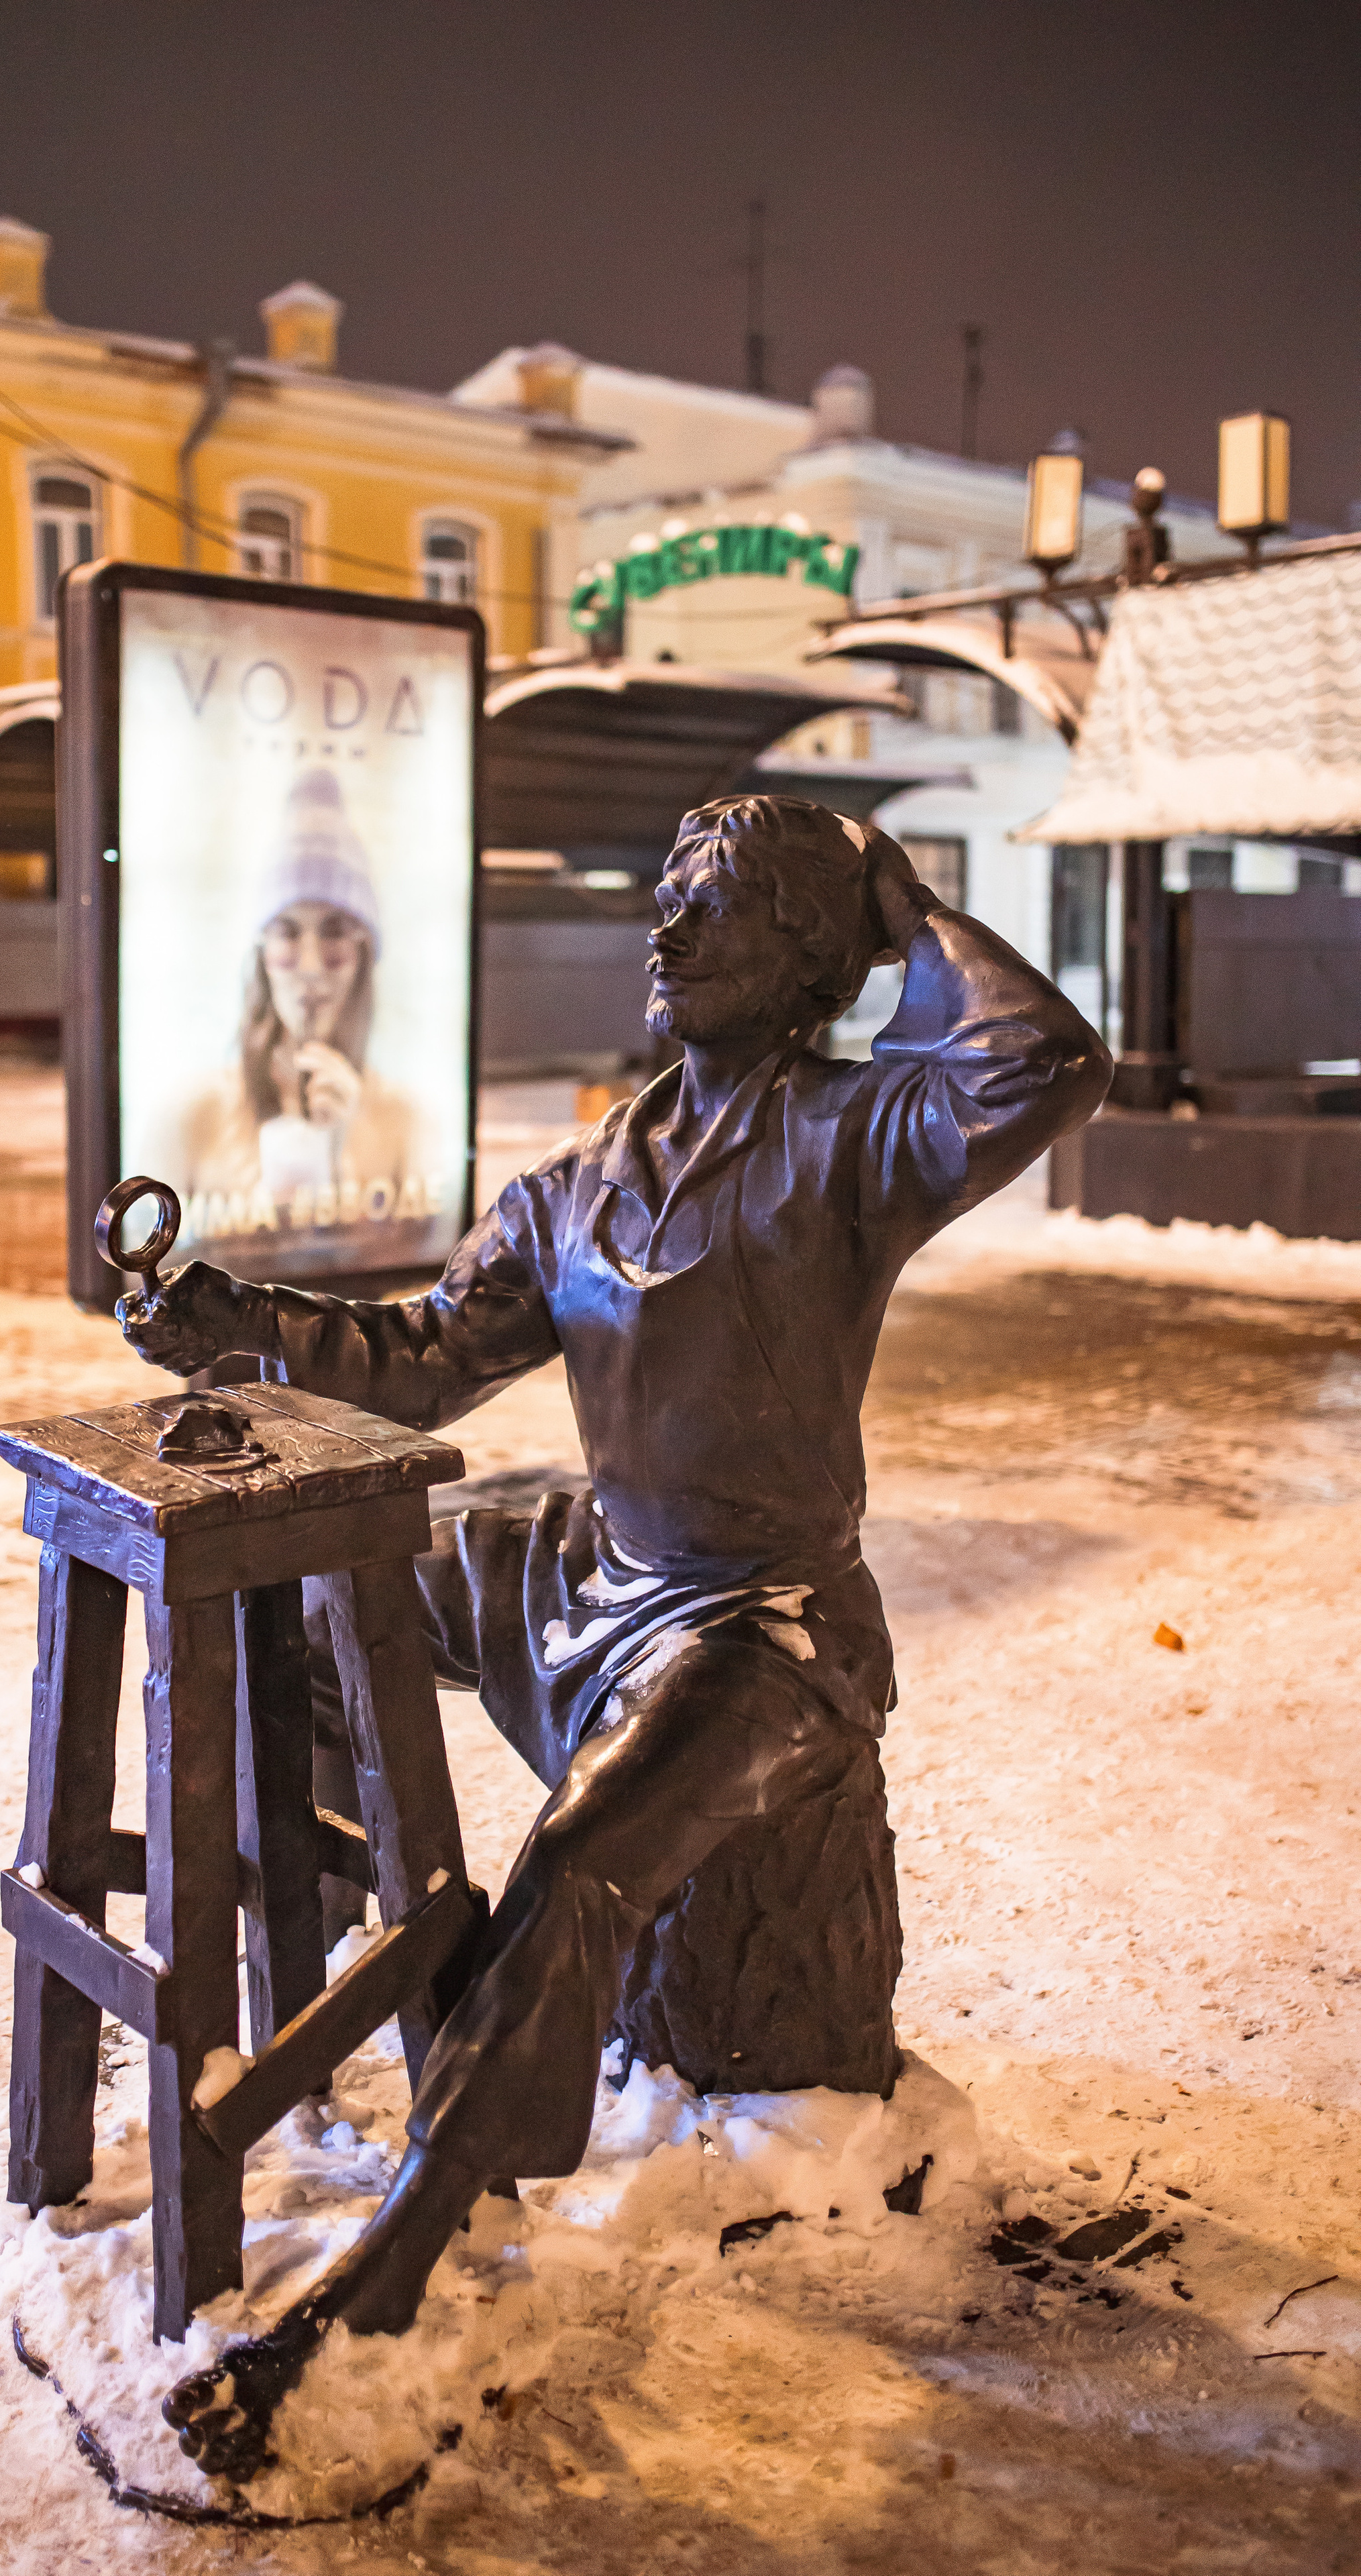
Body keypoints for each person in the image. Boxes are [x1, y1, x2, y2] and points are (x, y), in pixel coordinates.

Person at [119, 796, 1111, 2479]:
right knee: (303, 1630)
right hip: (585, 1570)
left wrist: (902, 901)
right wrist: (229, 1324)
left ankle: (385, 2277)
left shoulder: (846, 1135)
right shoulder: (581, 1179)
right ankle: (417, 1983)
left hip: (759, 1619)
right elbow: (424, 1355)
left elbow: (1043, 1065)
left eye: (707, 908)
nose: (662, 934)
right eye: (662, 899)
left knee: (578, 1860)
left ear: (801, 959)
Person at [174, 765, 437, 1242]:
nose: (312, 967)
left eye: (335, 932)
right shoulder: (193, 1115)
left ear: (363, 955)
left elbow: (423, 1289)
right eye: (287, 933)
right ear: (260, 957)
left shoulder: (408, 1123)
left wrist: (352, 1153)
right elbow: (150, 1282)